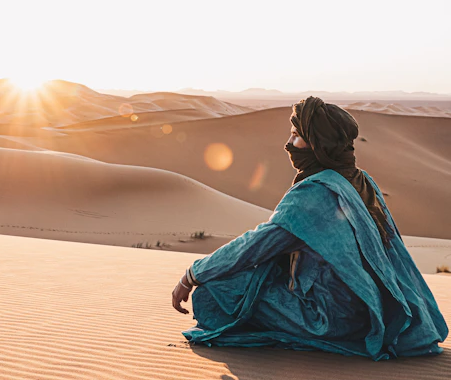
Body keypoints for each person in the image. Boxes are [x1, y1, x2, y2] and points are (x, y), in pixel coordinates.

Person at [171, 96, 448, 360]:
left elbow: (255, 246)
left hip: (328, 317)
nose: (288, 144)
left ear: (318, 144)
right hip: (367, 310)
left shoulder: (316, 194)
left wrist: (192, 275)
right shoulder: (361, 181)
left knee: (214, 290)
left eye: (296, 136)